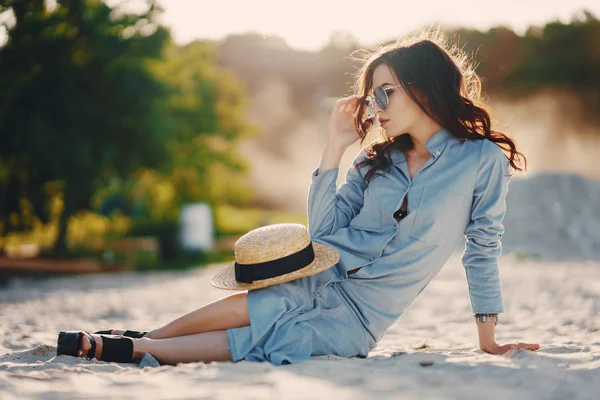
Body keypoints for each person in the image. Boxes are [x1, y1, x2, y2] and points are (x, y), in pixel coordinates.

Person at [58, 28, 541, 365]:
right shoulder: (376, 162)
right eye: (373, 97)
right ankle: (145, 338)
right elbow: (326, 235)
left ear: (425, 88)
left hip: (358, 318)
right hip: (317, 278)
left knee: (260, 339)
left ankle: (138, 350)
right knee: (266, 301)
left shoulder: (481, 161)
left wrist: (488, 341)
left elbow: (483, 250)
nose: (377, 107)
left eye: (386, 93)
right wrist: (334, 146)